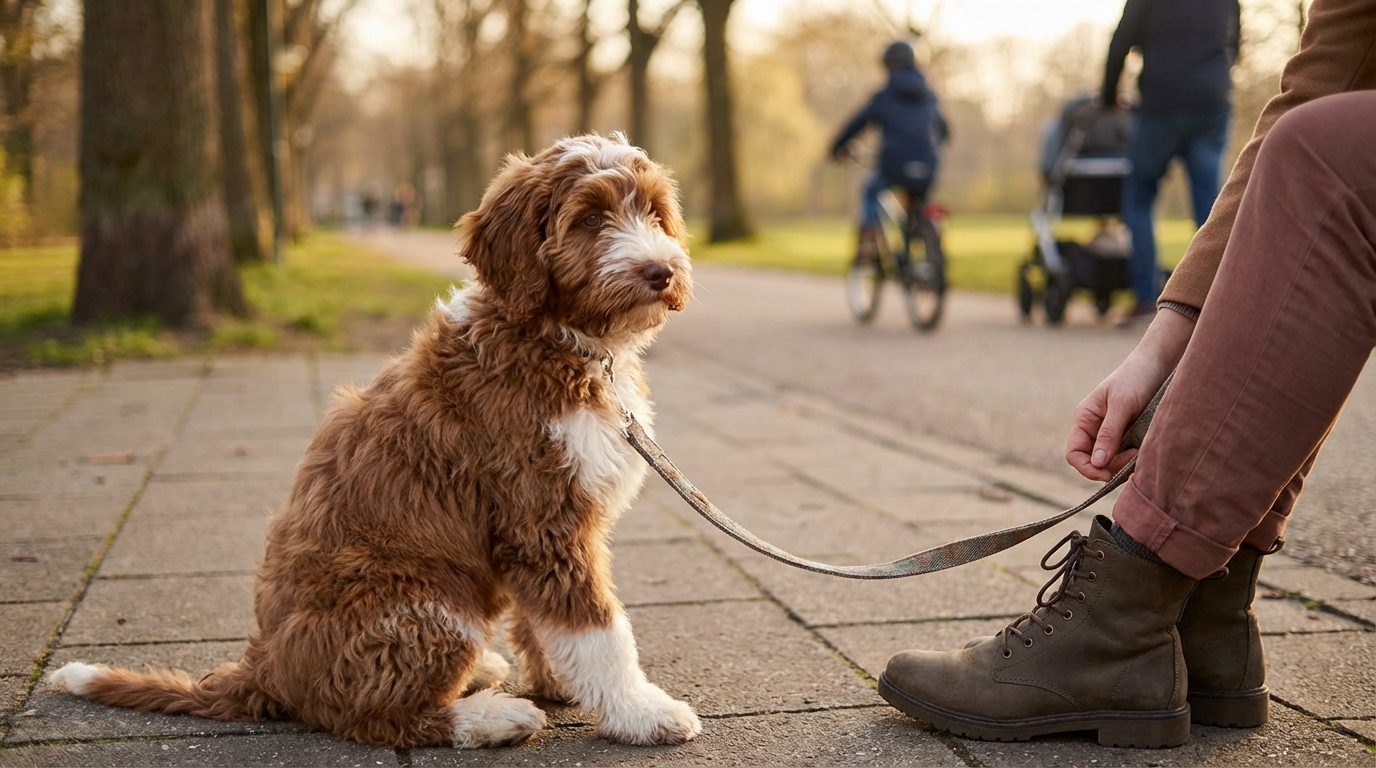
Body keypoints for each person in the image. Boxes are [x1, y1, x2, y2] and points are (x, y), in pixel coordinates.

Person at [878, 0, 1376, 748]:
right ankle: (1207, 613)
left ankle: (1122, 626)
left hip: (1164, 112)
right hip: (1206, 113)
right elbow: (1316, 91)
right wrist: (1165, 339)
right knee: (1309, 144)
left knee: (1322, 154)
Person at [1103, 0, 1240, 325]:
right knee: (1210, 205)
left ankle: (1145, 298)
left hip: (1161, 103)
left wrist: (1108, 97)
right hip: (1211, 101)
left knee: (1139, 198)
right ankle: (1213, 301)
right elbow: (1234, 45)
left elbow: (1121, 40)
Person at [830, 41, 948, 251]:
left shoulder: (885, 96)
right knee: (919, 200)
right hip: (928, 165)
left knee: (870, 190)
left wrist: (837, 146)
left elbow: (858, 123)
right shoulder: (930, 96)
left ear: (888, 66)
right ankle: (925, 249)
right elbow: (945, 131)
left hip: (895, 164)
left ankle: (871, 234)